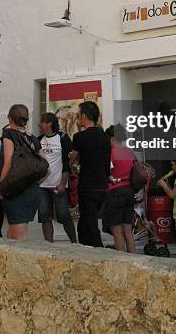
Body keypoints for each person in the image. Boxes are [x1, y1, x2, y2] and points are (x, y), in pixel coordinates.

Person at [69, 101, 111, 247]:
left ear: (84, 117)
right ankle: (85, 248)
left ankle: (98, 250)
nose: (77, 118)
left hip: (88, 186)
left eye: (79, 115)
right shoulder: (105, 136)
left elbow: (72, 158)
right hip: (103, 186)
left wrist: (71, 160)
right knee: (85, 223)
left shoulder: (79, 137)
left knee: (90, 223)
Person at [0, 104, 43, 241]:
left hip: (16, 191)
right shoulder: (33, 139)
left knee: (19, 237)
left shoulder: (8, 134)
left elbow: (8, 163)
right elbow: (46, 168)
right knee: (11, 235)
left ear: (10, 118)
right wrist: (32, 182)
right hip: (32, 191)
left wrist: (1, 187)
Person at [38, 112, 77, 243]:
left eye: (42, 122)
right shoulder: (39, 140)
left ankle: (74, 243)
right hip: (42, 186)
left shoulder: (63, 138)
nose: (39, 124)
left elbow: (67, 163)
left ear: (49, 124)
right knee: (45, 217)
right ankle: (49, 244)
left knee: (64, 216)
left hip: (58, 184)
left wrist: (62, 183)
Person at [103, 125, 136, 253]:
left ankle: (122, 261)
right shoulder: (129, 152)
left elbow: (108, 172)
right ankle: (134, 259)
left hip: (115, 191)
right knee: (128, 231)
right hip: (129, 191)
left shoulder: (111, 152)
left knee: (117, 232)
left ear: (111, 138)